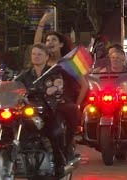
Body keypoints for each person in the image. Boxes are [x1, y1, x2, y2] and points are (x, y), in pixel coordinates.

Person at [35, 12, 88, 161]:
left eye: (53, 40)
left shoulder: (68, 63)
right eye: (47, 40)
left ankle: (67, 148)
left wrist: (76, 105)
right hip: (42, 101)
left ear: (61, 44)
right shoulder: (42, 62)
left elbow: (84, 85)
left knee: (59, 127)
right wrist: (42, 22)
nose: (49, 42)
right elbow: (36, 43)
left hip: (63, 102)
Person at [15, 43, 66, 176]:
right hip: (29, 108)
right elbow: (13, 83)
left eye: (39, 54)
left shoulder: (53, 72)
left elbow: (59, 83)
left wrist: (54, 88)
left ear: (47, 57)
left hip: (49, 109)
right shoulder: (25, 74)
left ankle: (60, 163)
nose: (36, 57)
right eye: (34, 54)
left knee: (54, 132)